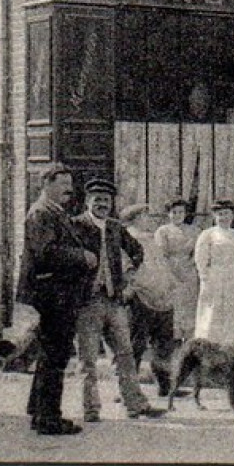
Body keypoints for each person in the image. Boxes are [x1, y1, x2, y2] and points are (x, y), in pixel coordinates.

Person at [72, 177, 165, 421]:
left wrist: (129, 279)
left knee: (125, 354)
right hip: (87, 303)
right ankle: (91, 409)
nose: (102, 204)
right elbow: (65, 258)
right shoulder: (75, 226)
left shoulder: (115, 227)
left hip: (115, 301)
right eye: (97, 199)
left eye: (106, 200)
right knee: (88, 359)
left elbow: (137, 251)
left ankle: (135, 404)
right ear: (87, 201)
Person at [16, 163, 98, 435]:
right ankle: (49, 418)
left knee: (51, 354)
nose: (69, 189)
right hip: (51, 293)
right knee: (56, 355)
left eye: (70, 184)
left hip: (58, 292)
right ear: (46, 185)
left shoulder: (55, 213)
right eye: (62, 184)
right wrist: (81, 256)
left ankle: (39, 412)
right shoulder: (41, 213)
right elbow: (46, 252)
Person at [120, 203, 178, 394]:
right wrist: (138, 287)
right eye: (145, 216)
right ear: (136, 218)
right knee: (135, 344)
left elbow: (162, 265)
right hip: (141, 297)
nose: (150, 220)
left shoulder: (151, 239)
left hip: (162, 298)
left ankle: (165, 385)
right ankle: (128, 389)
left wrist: (169, 284)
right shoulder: (127, 238)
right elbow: (127, 269)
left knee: (163, 344)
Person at [194, 200, 234, 345]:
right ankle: (210, 345)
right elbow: (200, 260)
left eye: (227, 214)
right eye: (220, 214)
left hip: (233, 276)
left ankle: (230, 346)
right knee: (212, 311)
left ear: (232, 215)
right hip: (214, 276)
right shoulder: (208, 234)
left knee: (232, 311)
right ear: (214, 216)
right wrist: (205, 279)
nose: (224, 218)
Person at [154, 199, 200, 343]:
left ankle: (189, 340)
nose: (177, 215)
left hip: (189, 270)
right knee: (174, 305)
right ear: (168, 214)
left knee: (190, 304)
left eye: (181, 212)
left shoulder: (194, 230)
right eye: (174, 212)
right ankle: (174, 340)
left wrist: (190, 264)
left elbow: (198, 252)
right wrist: (171, 271)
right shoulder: (163, 231)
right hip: (170, 271)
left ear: (185, 214)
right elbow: (161, 254)